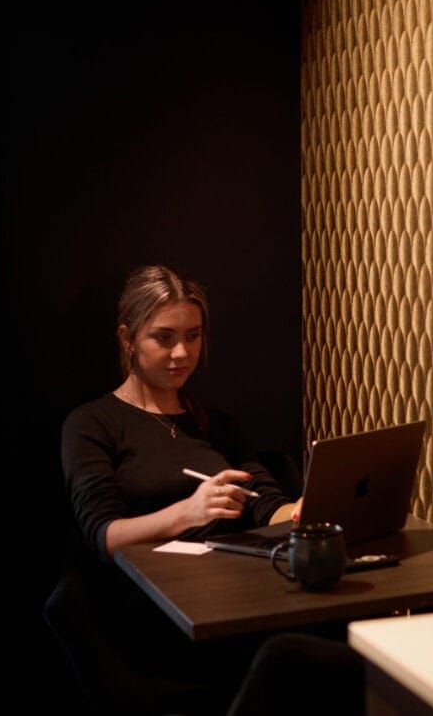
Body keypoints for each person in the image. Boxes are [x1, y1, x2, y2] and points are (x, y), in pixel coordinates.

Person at [47, 265, 301, 715]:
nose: (181, 352)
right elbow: (104, 535)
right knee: (288, 657)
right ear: (127, 338)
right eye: (163, 338)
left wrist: (301, 511)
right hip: (151, 619)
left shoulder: (215, 424)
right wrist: (190, 511)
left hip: (233, 601)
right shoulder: (92, 424)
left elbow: (266, 500)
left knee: (322, 644)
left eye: (193, 336)